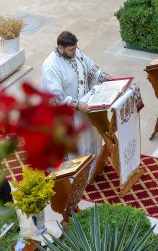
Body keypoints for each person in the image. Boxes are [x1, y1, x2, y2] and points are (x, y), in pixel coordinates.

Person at [40, 31, 111, 175]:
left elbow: (90, 68)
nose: (75, 51)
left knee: (87, 139)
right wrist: (76, 104)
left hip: (83, 108)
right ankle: (71, 175)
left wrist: (104, 77)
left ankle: (91, 168)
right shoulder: (51, 66)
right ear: (60, 47)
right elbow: (54, 94)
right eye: (71, 49)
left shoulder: (76, 52)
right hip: (64, 114)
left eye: (75, 48)